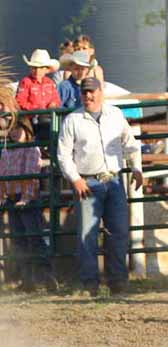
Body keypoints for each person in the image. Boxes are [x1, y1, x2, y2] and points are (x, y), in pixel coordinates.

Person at [57, 77, 143, 297]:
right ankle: (89, 284)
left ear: (100, 92)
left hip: (114, 180)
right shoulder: (72, 120)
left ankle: (118, 282)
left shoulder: (115, 115)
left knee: (119, 232)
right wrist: (75, 178)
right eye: (85, 92)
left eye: (92, 92)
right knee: (87, 235)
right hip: (87, 181)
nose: (88, 96)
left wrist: (136, 168)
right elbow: (63, 155)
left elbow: (130, 144)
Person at [0, 118, 57, 292]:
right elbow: (1, 174)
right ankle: (27, 280)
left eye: (18, 129)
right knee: (19, 240)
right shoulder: (8, 151)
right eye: (12, 129)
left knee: (34, 238)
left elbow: (31, 175)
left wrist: (26, 198)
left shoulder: (32, 149)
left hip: (28, 198)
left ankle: (46, 277)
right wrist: (0, 196)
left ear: (26, 130)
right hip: (14, 199)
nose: (14, 132)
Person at [16, 49, 61, 141]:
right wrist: (35, 108)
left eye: (40, 68)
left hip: (47, 118)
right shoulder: (25, 82)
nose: (37, 71)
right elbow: (19, 101)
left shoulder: (50, 83)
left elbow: (56, 99)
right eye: (34, 67)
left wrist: (53, 104)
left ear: (47, 69)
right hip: (30, 119)